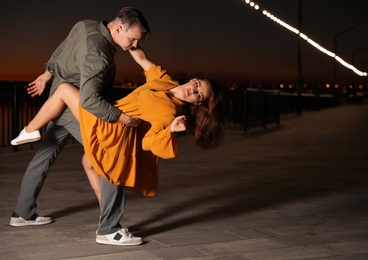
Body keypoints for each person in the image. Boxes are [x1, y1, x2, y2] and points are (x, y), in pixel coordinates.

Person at [11, 46, 225, 246]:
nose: (193, 91)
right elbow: (143, 60)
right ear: (193, 79)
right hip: (109, 112)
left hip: (112, 125)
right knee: (89, 163)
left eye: (199, 95)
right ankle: (106, 219)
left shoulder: (169, 113)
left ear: (197, 103)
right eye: (197, 86)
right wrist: (131, 43)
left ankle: (29, 131)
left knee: (65, 90)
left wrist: (170, 130)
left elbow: (149, 142)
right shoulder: (165, 80)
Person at [10, 6, 150, 244]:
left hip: (58, 103)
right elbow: (89, 100)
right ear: (117, 28)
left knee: (42, 158)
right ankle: (109, 229)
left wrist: (46, 75)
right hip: (77, 111)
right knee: (110, 157)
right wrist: (122, 117)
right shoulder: (100, 55)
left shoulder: (85, 24)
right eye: (132, 38)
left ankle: (22, 214)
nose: (134, 45)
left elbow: (62, 49)